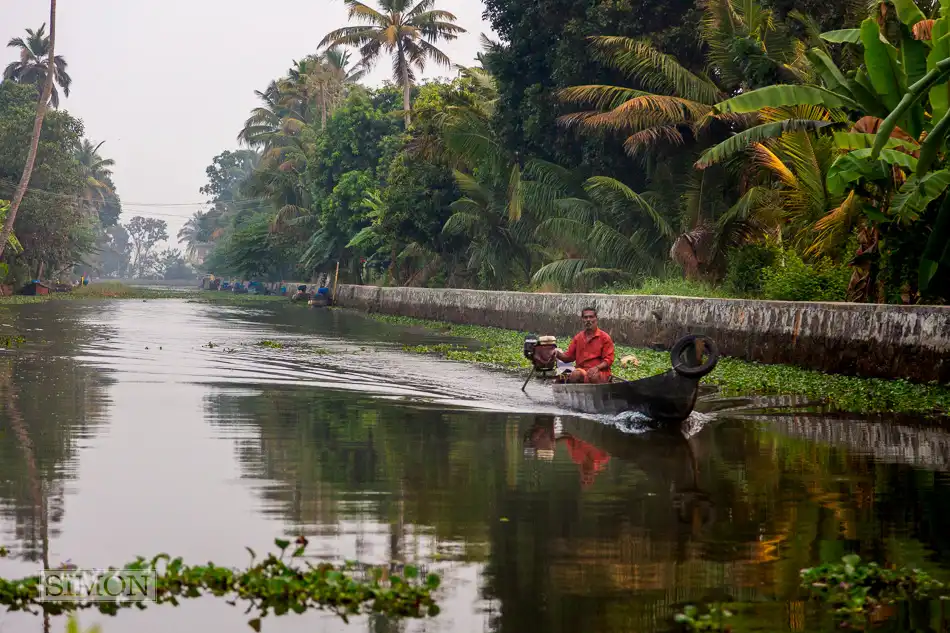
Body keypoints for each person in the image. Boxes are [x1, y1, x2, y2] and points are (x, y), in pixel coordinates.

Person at [554, 306, 615, 384]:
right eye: (586, 317)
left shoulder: (605, 337)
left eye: (591, 317)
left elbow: (609, 360)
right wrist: (556, 353)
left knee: (591, 376)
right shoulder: (578, 338)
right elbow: (568, 357)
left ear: (596, 319)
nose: (588, 320)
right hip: (582, 371)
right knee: (563, 377)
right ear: (582, 320)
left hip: (600, 372)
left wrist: (596, 368)